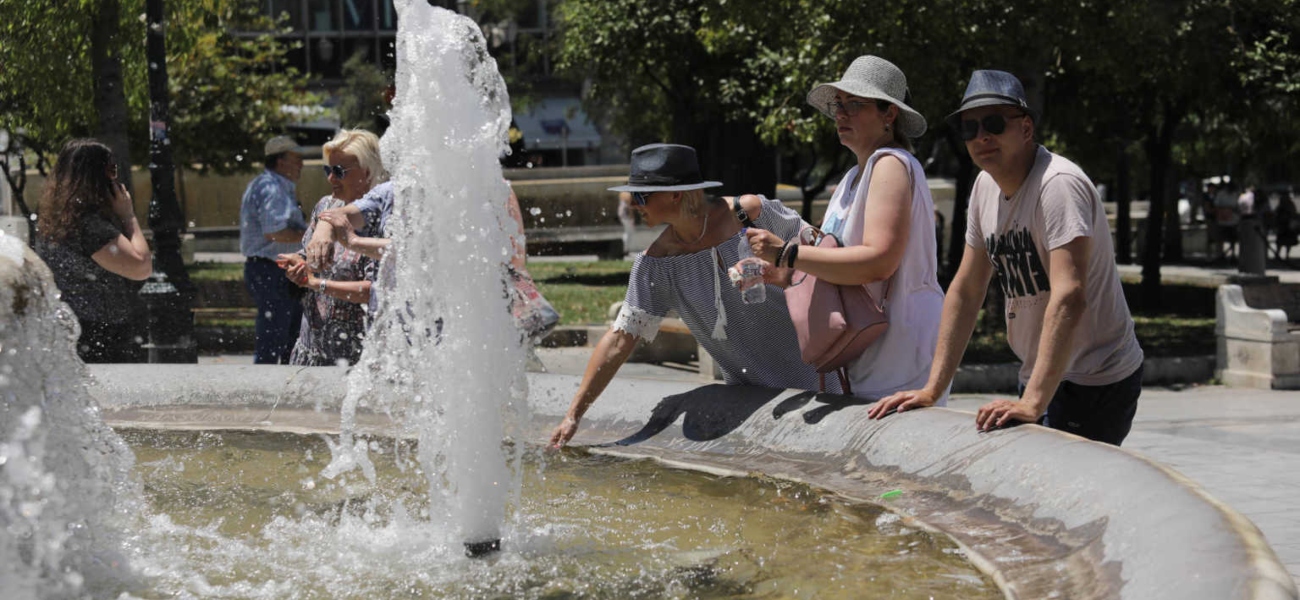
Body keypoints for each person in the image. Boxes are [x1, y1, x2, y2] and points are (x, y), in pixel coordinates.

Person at [872, 70, 1145, 446]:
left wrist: (1033, 402)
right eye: (970, 128)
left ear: (1026, 128)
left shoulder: (1058, 186)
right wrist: (932, 388)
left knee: (1064, 496)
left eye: (995, 123)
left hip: (1095, 377)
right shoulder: (985, 187)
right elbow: (967, 291)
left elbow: (1070, 295)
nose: (982, 137)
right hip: (1041, 373)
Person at [549, 143, 837, 447]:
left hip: (826, 374)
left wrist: (783, 273)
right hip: (753, 397)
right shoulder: (656, 264)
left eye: (641, 195)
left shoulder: (750, 214)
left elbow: (830, 264)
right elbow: (620, 339)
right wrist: (574, 415)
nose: (633, 204)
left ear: (676, 194)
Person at [742, 55, 945, 401]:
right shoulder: (854, 177)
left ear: (889, 114)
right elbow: (837, 265)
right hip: (865, 348)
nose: (840, 113)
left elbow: (878, 262)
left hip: (897, 354)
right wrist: (782, 272)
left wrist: (789, 254)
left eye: (854, 104)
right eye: (839, 104)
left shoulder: (890, 165)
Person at [35, 139, 151, 363]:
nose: (115, 178)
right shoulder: (91, 227)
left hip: (66, 329)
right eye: (112, 169)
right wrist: (128, 216)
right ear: (97, 176)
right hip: (101, 336)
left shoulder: (53, 221)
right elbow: (141, 266)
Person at [278, 129, 386, 366]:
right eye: (328, 170)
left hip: (357, 361)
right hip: (311, 352)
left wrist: (317, 284)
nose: (330, 179)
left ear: (367, 172)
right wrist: (297, 263)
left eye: (339, 172)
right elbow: (308, 255)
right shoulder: (326, 206)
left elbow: (376, 291)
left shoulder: (383, 219)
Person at [239, 135, 308, 364]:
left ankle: (283, 391)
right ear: (280, 162)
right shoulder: (271, 188)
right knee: (274, 340)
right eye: (296, 159)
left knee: (289, 338)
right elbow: (274, 231)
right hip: (270, 270)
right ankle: (265, 392)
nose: (301, 164)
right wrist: (311, 236)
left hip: (273, 270)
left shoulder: (274, 186)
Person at [1275, 188, 1298, 260]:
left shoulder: (1290, 204)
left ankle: (1286, 255)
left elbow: (1294, 214)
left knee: (1288, 242)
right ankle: (1278, 254)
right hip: (1283, 226)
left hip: (1288, 226)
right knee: (1281, 242)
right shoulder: (1281, 205)